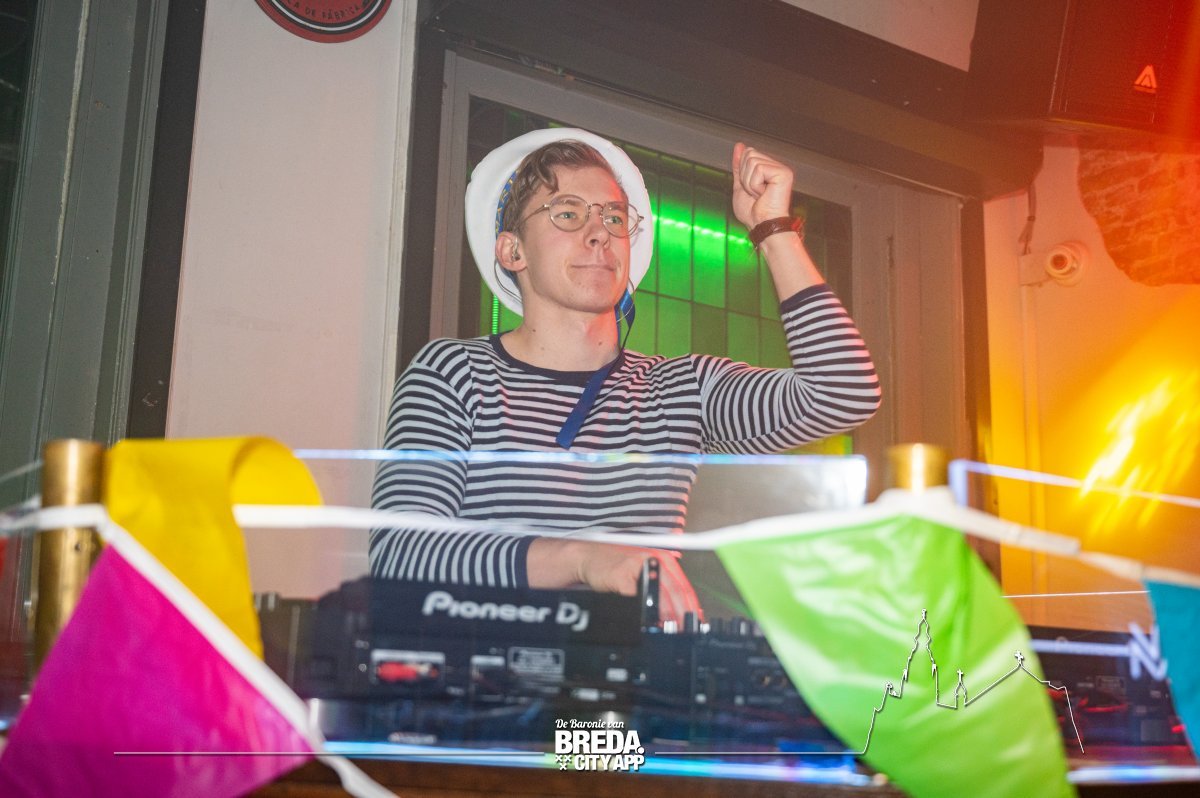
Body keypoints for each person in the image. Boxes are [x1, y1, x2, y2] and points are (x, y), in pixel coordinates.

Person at [370, 128, 880, 625]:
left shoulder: (679, 391)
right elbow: (400, 555)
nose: (599, 233)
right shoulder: (454, 374)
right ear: (512, 251)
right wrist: (583, 558)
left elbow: (844, 392)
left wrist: (772, 231)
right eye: (567, 213)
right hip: (484, 676)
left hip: (638, 679)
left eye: (614, 217)